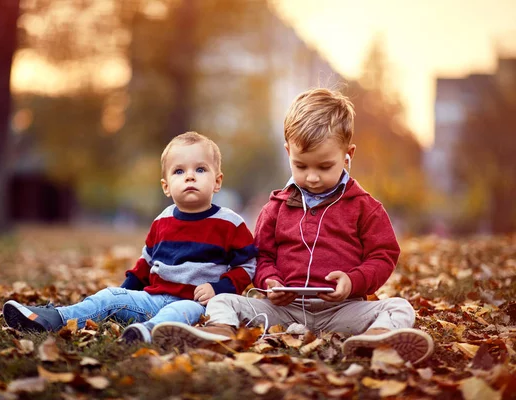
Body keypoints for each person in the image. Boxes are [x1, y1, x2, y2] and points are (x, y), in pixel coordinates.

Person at [151, 89, 434, 364]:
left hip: (342, 309)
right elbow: (261, 258)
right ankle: (219, 334)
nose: (311, 177)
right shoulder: (275, 208)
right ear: (288, 152)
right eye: (301, 166)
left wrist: (354, 281)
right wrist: (270, 282)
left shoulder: (364, 207)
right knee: (223, 300)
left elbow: (383, 254)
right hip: (283, 309)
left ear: (348, 154)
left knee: (399, 306)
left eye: (324, 167)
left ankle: (376, 339)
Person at [3, 132, 258, 344]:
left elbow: (246, 266)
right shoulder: (162, 221)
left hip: (196, 303)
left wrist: (219, 288)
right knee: (108, 297)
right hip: (153, 298)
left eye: (200, 169)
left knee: (177, 311)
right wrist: (122, 295)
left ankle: (147, 333)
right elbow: (144, 266)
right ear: (166, 186)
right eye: (179, 171)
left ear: (217, 181)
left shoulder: (230, 223)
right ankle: (54, 318)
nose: (190, 176)